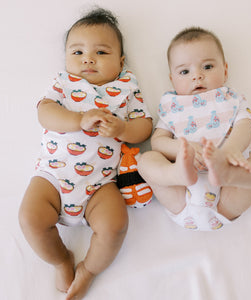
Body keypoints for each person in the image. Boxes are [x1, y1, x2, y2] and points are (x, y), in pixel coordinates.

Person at [18, 8, 152, 300]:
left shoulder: (126, 88)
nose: (88, 59)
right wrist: (78, 120)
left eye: (101, 52)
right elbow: (45, 113)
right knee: (30, 218)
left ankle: (89, 270)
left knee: (115, 227)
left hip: (101, 184)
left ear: (121, 61)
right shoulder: (64, 84)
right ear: (66, 58)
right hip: (53, 176)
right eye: (77, 52)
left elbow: (144, 128)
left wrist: (122, 128)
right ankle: (61, 259)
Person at [138, 27, 251, 231]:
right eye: (185, 71)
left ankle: (228, 174)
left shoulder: (231, 100)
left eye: (208, 67)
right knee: (145, 160)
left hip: (227, 198)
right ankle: (176, 174)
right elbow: (158, 141)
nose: (197, 76)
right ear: (172, 79)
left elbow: (244, 127)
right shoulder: (173, 106)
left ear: (225, 70)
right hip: (181, 195)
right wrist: (183, 150)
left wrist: (228, 153)